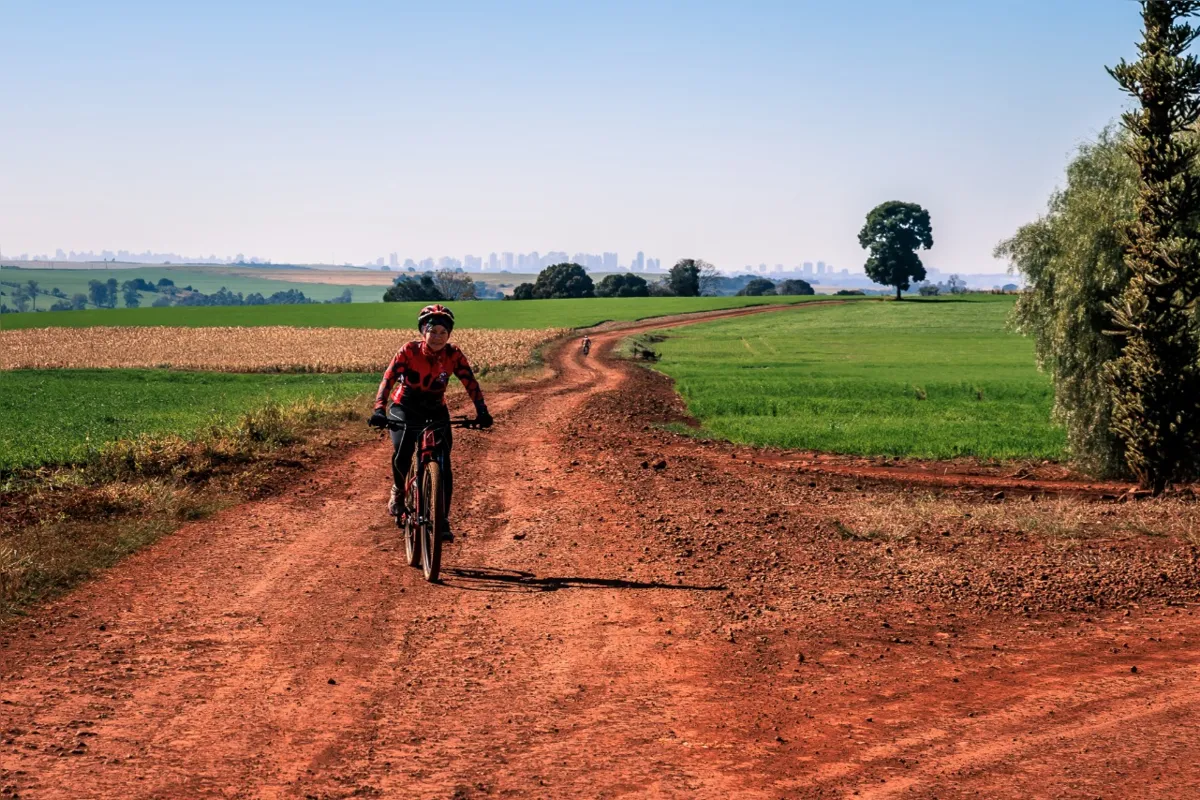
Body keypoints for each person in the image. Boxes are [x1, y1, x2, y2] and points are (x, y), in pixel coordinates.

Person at [369, 304, 492, 540]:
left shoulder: (453, 355)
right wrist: (379, 410)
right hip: (404, 406)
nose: (437, 337)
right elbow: (388, 379)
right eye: (432, 331)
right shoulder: (409, 351)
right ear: (423, 331)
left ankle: (442, 520)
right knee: (403, 450)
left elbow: (470, 383)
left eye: (442, 333)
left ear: (449, 335)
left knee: (444, 463)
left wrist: (482, 411)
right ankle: (398, 491)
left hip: (436, 408)